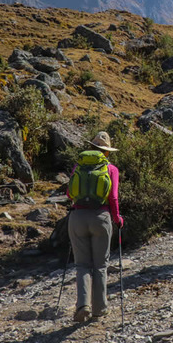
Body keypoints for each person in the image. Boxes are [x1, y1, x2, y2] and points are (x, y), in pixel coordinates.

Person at [67, 131, 124, 323]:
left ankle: (83, 306)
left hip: (77, 217)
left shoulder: (78, 166)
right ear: (106, 152)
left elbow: (69, 194)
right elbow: (113, 198)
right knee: (100, 265)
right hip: (101, 218)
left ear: (91, 147)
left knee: (82, 265)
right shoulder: (111, 169)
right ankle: (100, 309)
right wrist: (117, 219)